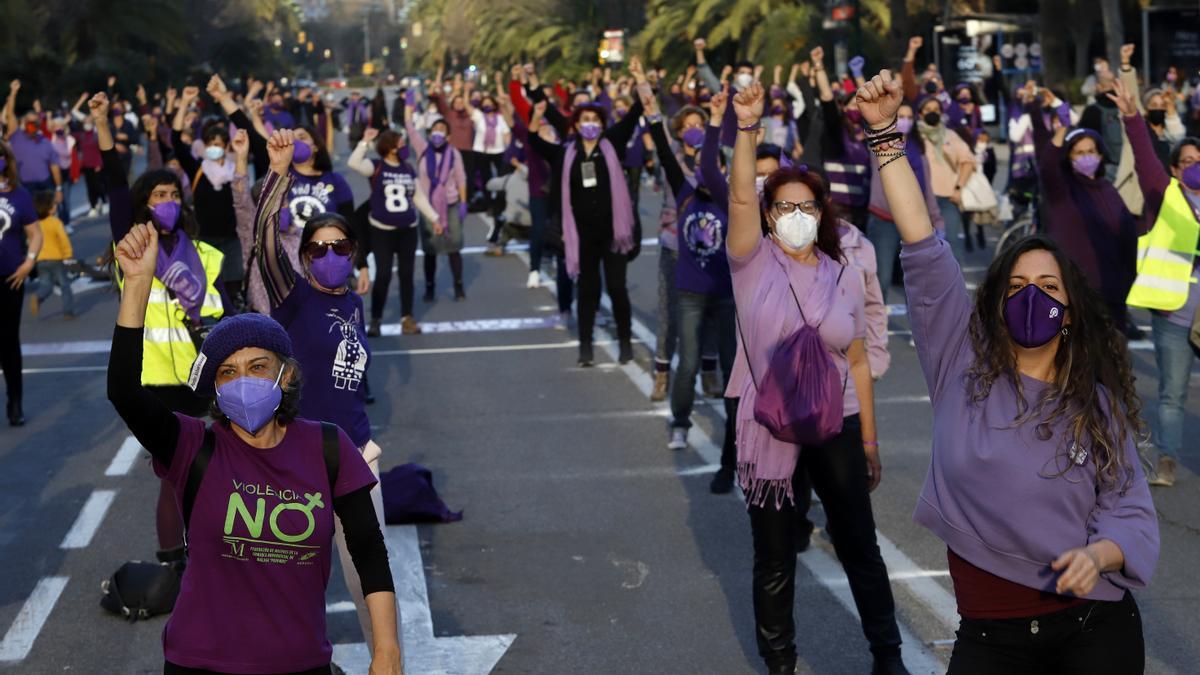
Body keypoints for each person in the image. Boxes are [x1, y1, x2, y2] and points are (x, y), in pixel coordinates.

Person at [857, 68, 1159, 674]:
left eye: (1048, 287)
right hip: (989, 637)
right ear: (995, 300)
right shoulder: (959, 363)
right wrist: (886, 132)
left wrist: (1099, 555)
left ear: (1069, 311)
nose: (1032, 297)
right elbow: (922, 245)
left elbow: (1131, 510)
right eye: (1018, 285)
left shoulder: (1095, 406)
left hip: (1093, 625)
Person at [107, 223, 401, 674]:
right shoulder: (193, 446)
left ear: (286, 376)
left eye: (258, 366)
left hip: (301, 664)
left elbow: (368, 550)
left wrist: (387, 651)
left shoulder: (328, 446)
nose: (243, 380)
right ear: (217, 389)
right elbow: (124, 392)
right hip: (199, 663)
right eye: (228, 372)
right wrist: (138, 285)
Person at [727, 81, 907, 675]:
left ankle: (888, 657)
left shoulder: (843, 272)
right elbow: (737, 201)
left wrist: (872, 441)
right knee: (774, 557)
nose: (796, 216)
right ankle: (780, 663)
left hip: (839, 425)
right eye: (784, 207)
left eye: (807, 206)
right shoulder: (751, 264)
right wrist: (748, 128)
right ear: (768, 214)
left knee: (861, 548)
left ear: (822, 212)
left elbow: (856, 361)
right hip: (771, 427)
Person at [92, 91, 229, 563]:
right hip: (154, 384)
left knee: (208, 471)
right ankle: (174, 560)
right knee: (175, 471)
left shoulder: (207, 255)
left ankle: (205, 553)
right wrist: (102, 123)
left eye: (173, 195)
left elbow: (223, 318)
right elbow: (113, 183)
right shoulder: (131, 253)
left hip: (201, 379)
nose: (168, 202)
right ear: (143, 207)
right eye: (158, 196)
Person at [529, 58, 649, 367]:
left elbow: (637, 111)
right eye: (584, 119)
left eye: (595, 118)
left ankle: (624, 341)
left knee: (618, 288)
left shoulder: (612, 144)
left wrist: (639, 78)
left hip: (613, 233)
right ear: (576, 125)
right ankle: (585, 345)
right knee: (587, 290)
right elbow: (534, 141)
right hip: (580, 236)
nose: (590, 124)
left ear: (603, 123)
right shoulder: (565, 153)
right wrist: (535, 111)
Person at [1115, 81, 1200, 487]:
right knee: (1172, 393)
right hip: (1174, 311)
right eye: (1186, 161)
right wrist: (1133, 117)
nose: (1193, 165)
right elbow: (1146, 157)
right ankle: (1167, 459)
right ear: (1175, 168)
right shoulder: (1165, 196)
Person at [1028, 82, 1145, 335]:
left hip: (1111, 299)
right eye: (1078, 153)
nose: (1086, 157)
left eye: (1091, 151)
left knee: (1113, 369)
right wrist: (1062, 126)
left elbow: (1126, 240)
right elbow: (1048, 164)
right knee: (1075, 368)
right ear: (1069, 159)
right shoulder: (1062, 190)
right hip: (1072, 298)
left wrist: (1126, 283)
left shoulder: (1109, 190)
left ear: (1101, 155)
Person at [348, 126, 440, 336]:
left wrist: (434, 218)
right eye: (400, 143)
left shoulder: (407, 168)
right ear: (390, 147)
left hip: (407, 230)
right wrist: (365, 141)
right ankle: (376, 319)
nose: (404, 146)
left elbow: (418, 197)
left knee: (407, 274)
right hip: (382, 230)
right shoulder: (377, 166)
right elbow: (353, 163)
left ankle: (407, 317)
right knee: (383, 274)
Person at [865, 102, 944, 303]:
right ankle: (876, 331)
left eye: (909, 117)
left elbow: (927, 192)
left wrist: (937, 221)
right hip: (884, 221)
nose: (905, 121)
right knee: (880, 279)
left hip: (915, 224)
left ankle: (919, 332)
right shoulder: (879, 149)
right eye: (901, 116)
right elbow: (877, 134)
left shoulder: (919, 153)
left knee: (918, 284)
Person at [0, 141, 43, 427]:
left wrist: (28, 262)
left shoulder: (19, 195)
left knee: (8, 343)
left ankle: (15, 403)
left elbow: (35, 233)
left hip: (9, 279)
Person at [406, 112, 468, 301]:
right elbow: (410, 129)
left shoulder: (454, 153)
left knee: (453, 246)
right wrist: (409, 107)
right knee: (430, 249)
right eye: (434, 130)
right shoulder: (423, 149)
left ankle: (458, 285)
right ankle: (430, 286)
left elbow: (461, 178)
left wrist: (464, 202)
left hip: (450, 205)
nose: (437, 134)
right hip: (427, 207)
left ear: (448, 137)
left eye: (441, 131)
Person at [916, 94, 975, 263]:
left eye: (936, 110)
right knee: (922, 247)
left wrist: (959, 188)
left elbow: (968, 161)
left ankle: (956, 286)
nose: (932, 113)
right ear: (920, 113)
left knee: (951, 244)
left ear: (942, 113)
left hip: (947, 198)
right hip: (921, 199)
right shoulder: (914, 136)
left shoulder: (950, 135)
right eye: (928, 110)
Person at [4, 81, 64, 200]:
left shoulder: (46, 142)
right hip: (25, 186)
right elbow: (10, 114)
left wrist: (58, 189)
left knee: (49, 216)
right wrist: (13, 92)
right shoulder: (17, 136)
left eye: (35, 122)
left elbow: (54, 167)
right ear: (24, 123)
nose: (32, 125)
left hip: (45, 185)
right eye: (29, 122)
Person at [28, 190, 74, 319]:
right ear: (48, 209)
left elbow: (30, 241)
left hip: (40, 260)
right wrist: (68, 254)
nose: (56, 206)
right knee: (65, 285)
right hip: (56, 259)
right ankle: (68, 311)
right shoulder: (55, 222)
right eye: (53, 204)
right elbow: (63, 239)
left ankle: (38, 296)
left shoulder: (35, 225)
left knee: (46, 285)